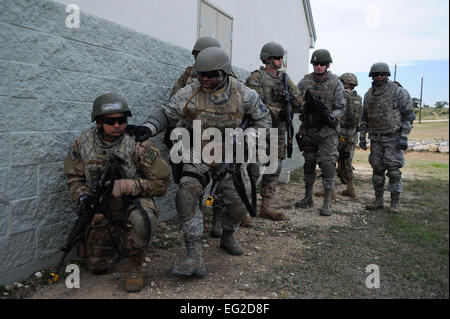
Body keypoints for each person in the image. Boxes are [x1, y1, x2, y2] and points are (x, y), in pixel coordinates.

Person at [130, 47, 271, 277]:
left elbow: (263, 119)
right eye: (201, 74)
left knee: (238, 206)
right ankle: (194, 256)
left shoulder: (243, 94)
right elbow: (167, 113)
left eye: (210, 75)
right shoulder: (191, 92)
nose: (205, 79)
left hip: (231, 156)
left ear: (224, 73)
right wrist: (147, 128)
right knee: (186, 195)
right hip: (198, 152)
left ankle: (227, 234)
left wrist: (248, 139)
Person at [63, 93, 171, 292]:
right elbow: (74, 177)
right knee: (97, 266)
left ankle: (135, 264)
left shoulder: (137, 144)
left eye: (122, 120)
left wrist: (126, 186)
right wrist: (82, 195)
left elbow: (162, 183)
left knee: (143, 219)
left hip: (133, 203)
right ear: (98, 122)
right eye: (110, 122)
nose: (118, 126)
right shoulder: (84, 143)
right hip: (103, 206)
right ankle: (116, 237)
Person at [244, 41, 302, 223]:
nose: (280, 61)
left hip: (278, 131)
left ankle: (266, 206)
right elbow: (255, 104)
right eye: (278, 58)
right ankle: (246, 207)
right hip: (259, 128)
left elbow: (298, 101)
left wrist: (291, 101)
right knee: (252, 168)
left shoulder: (285, 79)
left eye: (281, 58)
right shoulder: (256, 78)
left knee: (274, 167)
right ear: (268, 59)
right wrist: (279, 112)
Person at [295, 49, 346, 216]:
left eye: (322, 64)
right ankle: (308, 198)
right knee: (309, 163)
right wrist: (304, 107)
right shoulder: (305, 82)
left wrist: (330, 116)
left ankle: (327, 202)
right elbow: (296, 101)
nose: (318, 66)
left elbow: (341, 107)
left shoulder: (336, 83)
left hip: (327, 131)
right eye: (315, 64)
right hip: (309, 129)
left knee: (327, 164)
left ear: (328, 65)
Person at [359, 62, 414, 213]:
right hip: (376, 139)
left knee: (394, 172)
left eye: (382, 74)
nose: (379, 77)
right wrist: (362, 137)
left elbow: (409, 115)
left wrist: (404, 136)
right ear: (372, 76)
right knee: (377, 171)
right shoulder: (368, 95)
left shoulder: (398, 92)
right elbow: (364, 118)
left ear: (387, 76)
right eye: (376, 75)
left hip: (393, 138)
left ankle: (395, 203)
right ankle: (378, 200)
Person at [336, 73, 363, 198]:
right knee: (346, 160)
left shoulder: (341, 95)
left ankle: (329, 191)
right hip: (351, 135)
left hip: (339, 133)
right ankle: (350, 188)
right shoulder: (358, 98)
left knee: (329, 160)